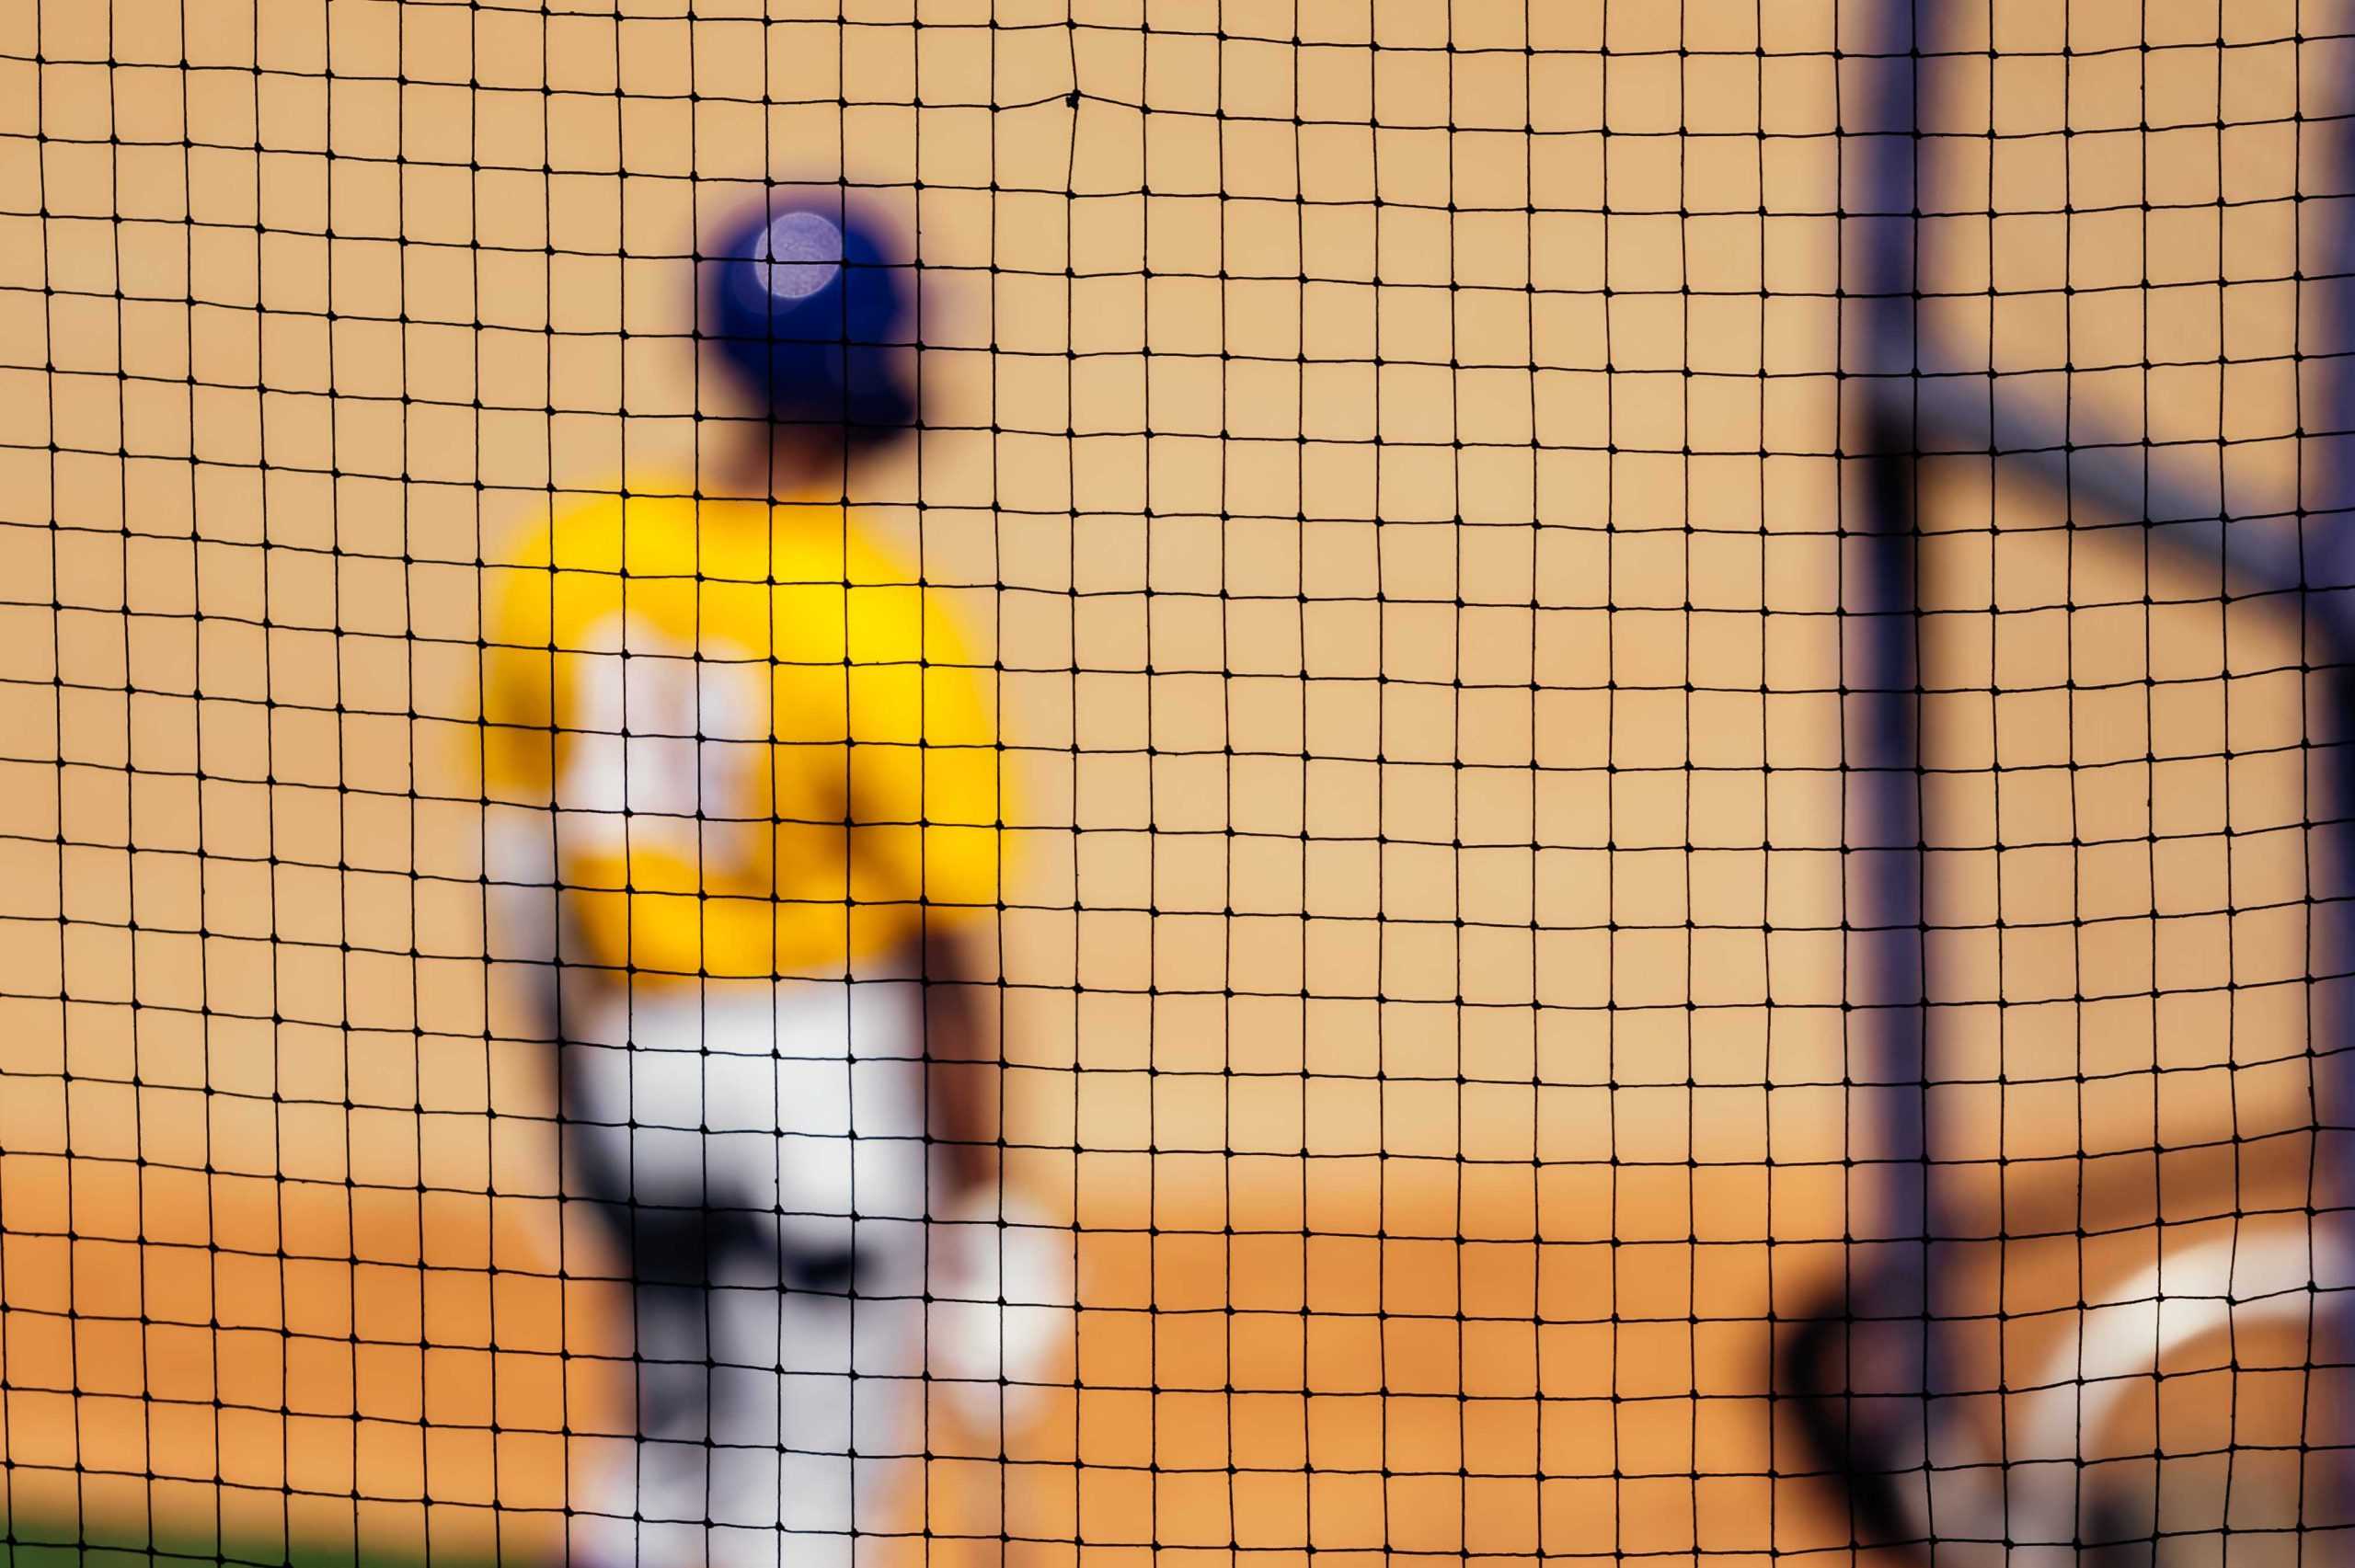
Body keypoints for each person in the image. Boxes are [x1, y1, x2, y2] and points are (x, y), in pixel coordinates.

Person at [471, 191, 1069, 1568]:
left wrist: (572, 1105)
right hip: (822, 1099)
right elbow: (945, 952)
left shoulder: (573, 559)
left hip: (633, 1075)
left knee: (655, 1480)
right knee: (801, 1516)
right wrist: (988, 1203)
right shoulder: (872, 614)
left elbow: (517, 873)